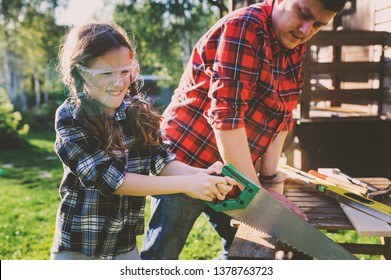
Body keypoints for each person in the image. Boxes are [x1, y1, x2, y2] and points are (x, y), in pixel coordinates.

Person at [141, 0, 348, 260]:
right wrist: (259, 199)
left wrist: (269, 180)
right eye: (303, 14)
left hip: (233, 168)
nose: (305, 30)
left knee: (245, 252)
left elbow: (282, 115)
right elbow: (227, 118)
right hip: (186, 161)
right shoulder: (243, 29)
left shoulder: (296, 44)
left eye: (317, 25)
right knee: (161, 256)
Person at [50, 22, 235, 260]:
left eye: (125, 71)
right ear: (80, 73)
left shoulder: (136, 112)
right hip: (79, 249)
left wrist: (199, 175)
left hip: (124, 246)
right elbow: (113, 181)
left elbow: (161, 161)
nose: (119, 83)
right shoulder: (70, 118)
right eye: (106, 73)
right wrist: (185, 185)